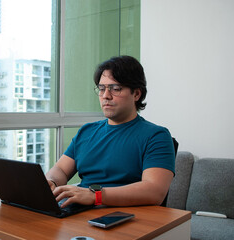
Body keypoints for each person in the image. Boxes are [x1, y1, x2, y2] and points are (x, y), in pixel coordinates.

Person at [46, 55, 175, 208]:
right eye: (101, 89)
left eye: (115, 89)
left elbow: (154, 191)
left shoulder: (157, 136)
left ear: (136, 94)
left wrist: (96, 196)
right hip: (78, 211)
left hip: (122, 217)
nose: (106, 96)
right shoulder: (86, 132)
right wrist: (51, 182)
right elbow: (60, 169)